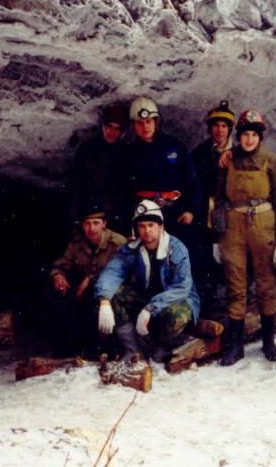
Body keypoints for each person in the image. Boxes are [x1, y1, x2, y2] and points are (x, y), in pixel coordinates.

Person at [213, 110, 276, 365]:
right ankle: (236, 346)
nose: (248, 140)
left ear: (260, 137)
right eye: (245, 134)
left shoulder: (272, 160)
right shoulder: (228, 160)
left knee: (265, 284)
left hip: (263, 224)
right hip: (233, 227)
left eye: (253, 135)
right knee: (235, 285)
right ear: (239, 137)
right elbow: (219, 199)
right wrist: (216, 237)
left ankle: (268, 341)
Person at [94, 199, 201, 363]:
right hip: (147, 299)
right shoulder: (131, 249)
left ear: (160, 226)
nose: (147, 231)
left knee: (175, 316)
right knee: (114, 294)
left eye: (151, 225)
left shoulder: (176, 248)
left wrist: (151, 308)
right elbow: (112, 272)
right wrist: (104, 301)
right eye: (142, 226)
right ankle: (133, 350)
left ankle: (162, 345)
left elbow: (181, 288)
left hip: (177, 300)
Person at [124, 95, 205, 284]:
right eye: (140, 122)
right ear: (133, 125)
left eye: (149, 121)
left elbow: (192, 180)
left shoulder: (174, 146)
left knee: (188, 254)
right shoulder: (128, 154)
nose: (145, 126)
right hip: (146, 215)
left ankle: (196, 301)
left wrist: (191, 210)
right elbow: (124, 191)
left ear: (156, 121)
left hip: (176, 212)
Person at [46, 204, 127, 357]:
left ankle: (101, 347)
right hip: (82, 290)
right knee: (57, 295)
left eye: (96, 223)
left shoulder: (117, 243)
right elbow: (62, 264)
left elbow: (122, 274)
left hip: (109, 292)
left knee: (94, 298)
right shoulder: (77, 244)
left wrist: (91, 279)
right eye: (87, 224)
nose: (92, 228)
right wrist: (58, 276)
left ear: (104, 224)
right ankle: (67, 347)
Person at [191, 100, 236, 315]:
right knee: (204, 258)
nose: (219, 130)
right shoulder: (201, 152)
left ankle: (228, 308)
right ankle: (206, 307)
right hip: (203, 212)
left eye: (224, 126)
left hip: (228, 213)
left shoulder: (237, 154)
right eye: (216, 125)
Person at [69, 103, 128, 229]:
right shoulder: (87, 149)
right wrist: (74, 214)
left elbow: (125, 189)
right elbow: (75, 183)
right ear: (103, 126)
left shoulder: (126, 153)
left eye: (117, 129)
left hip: (113, 214)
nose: (112, 132)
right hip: (88, 211)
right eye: (109, 127)